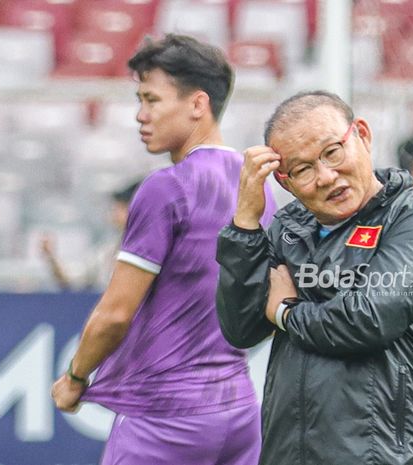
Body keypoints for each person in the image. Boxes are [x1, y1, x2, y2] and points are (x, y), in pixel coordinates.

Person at [51, 34, 277, 465]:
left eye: (152, 99)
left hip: (165, 419)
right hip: (239, 412)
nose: (140, 115)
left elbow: (115, 315)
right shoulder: (255, 187)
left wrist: (75, 377)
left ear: (197, 104)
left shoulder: (165, 188)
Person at [216, 90, 413, 465]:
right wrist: (245, 226)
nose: (327, 177)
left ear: (361, 134)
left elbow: (367, 319)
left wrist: (286, 311)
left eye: (332, 152)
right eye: (303, 169)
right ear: (285, 181)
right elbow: (242, 327)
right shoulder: (288, 229)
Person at [39, 179, 140, 291]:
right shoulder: (107, 252)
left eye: (121, 207)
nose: (114, 212)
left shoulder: (150, 250)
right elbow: (71, 279)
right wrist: (51, 257)